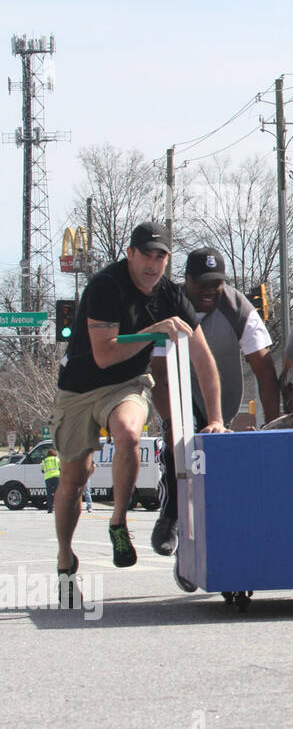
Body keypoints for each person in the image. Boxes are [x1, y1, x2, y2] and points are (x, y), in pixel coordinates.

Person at [51, 222, 225, 585]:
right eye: (146, 254)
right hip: (79, 388)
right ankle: (65, 552)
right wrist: (152, 331)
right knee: (74, 480)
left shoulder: (171, 296)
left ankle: (118, 521)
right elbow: (103, 355)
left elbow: (204, 360)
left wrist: (217, 418)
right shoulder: (105, 285)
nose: (153, 264)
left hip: (127, 385)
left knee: (129, 433)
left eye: (161, 256)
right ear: (130, 254)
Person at [150, 247, 281, 555]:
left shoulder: (240, 309)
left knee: (217, 468)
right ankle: (170, 517)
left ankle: (212, 542)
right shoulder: (166, 306)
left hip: (222, 396)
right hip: (178, 391)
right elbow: (156, 376)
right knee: (178, 451)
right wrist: (170, 421)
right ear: (187, 280)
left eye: (217, 284)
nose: (210, 291)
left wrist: (272, 426)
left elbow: (265, 373)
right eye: (203, 284)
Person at [42, 447, 60, 515]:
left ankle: (50, 509)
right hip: (56, 477)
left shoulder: (44, 461)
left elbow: (43, 470)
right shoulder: (56, 459)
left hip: (48, 478)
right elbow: (60, 467)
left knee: (49, 494)